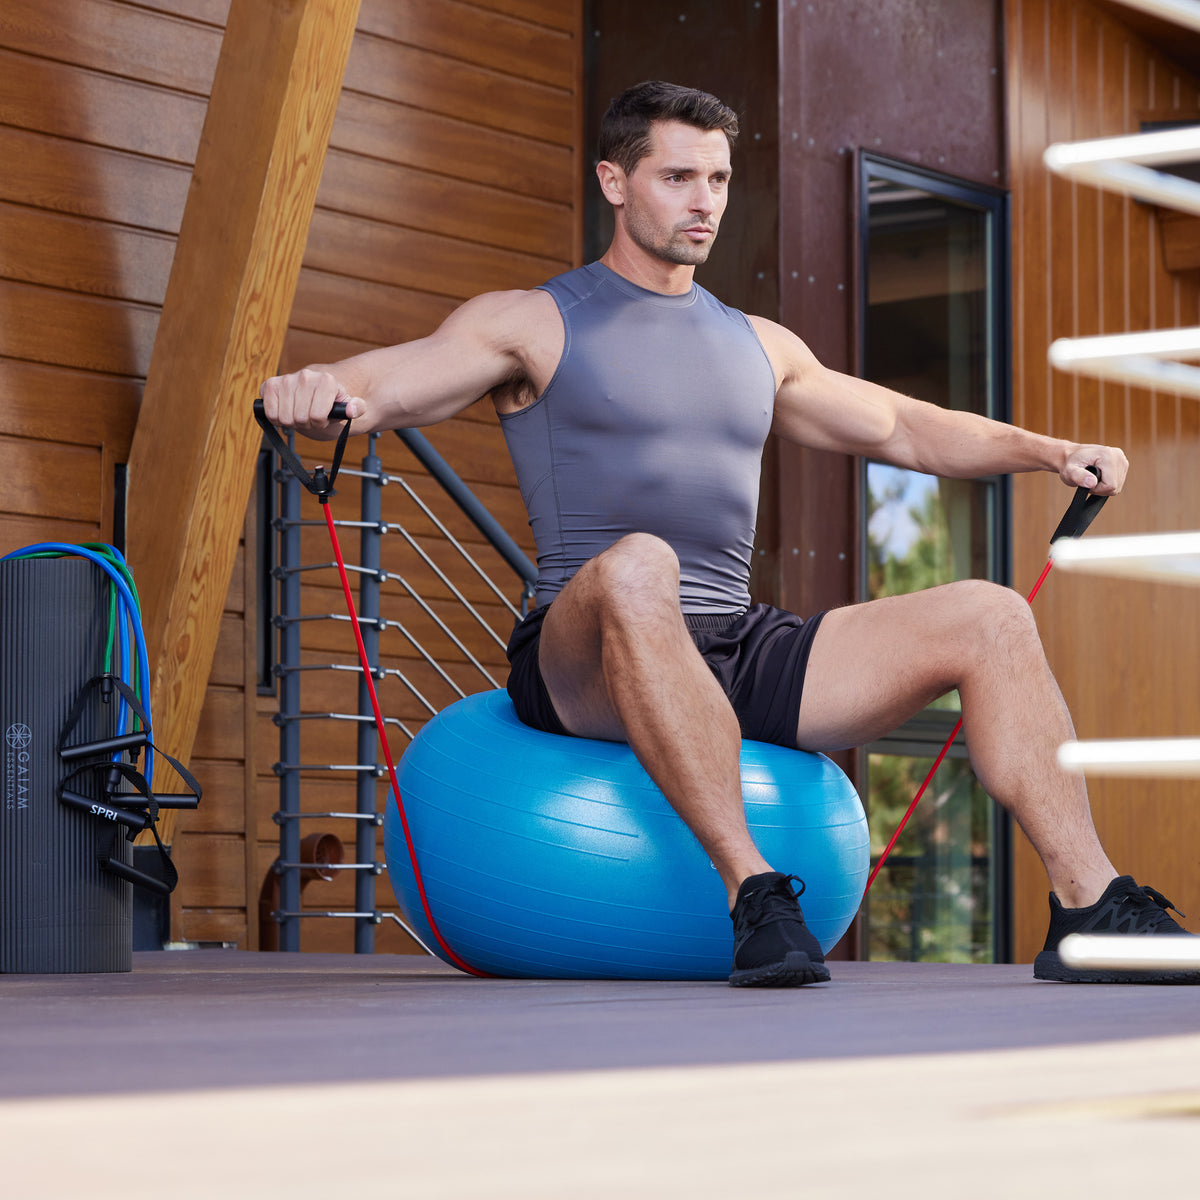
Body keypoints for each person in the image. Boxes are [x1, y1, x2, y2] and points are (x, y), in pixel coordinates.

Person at [263, 80, 1198, 988]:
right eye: (677, 178)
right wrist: (320, 388)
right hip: (582, 646)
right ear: (614, 182)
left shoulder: (760, 342)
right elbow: (392, 384)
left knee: (990, 617)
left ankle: (1087, 904)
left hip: (732, 640)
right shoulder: (533, 322)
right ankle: (754, 889)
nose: (703, 201)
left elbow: (898, 426)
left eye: (716, 180)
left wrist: (1046, 449)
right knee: (640, 564)